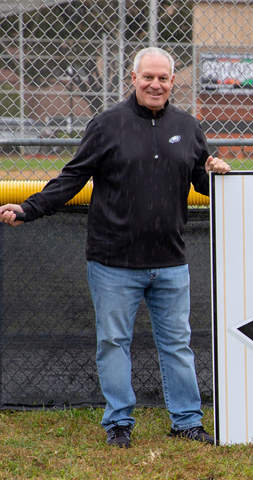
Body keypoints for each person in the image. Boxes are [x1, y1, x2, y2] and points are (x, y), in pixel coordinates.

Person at [0, 47, 231, 448]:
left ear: (173, 82)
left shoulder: (189, 127)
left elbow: (202, 185)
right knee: (113, 343)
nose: (155, 84)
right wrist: (28, 208)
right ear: (133, 78)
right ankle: (119, 424)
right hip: (113, 263)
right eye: (148, 77)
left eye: (163, 78)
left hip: (171, 262)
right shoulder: (106, 124)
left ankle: (187, 422)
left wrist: (220, 177)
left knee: (177, 344)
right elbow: (72, 178)